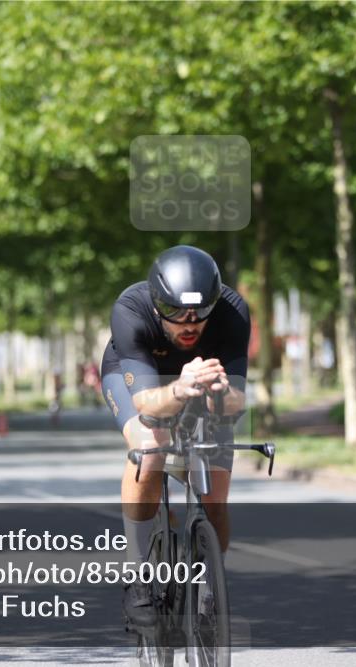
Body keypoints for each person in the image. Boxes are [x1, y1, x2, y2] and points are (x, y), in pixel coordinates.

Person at [100, 245, 250, 627]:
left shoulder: (232, 312)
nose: (189, 324)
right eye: (175, 312)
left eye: (200, 313)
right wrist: (181, 390)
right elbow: (147, 403)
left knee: (215, 497)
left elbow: (237, 401)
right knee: (150, 448)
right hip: (139, 378)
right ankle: (138, 576)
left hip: (201, 379)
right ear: (156, 304)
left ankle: (209, 581)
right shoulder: (131, 310)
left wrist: (220, 394)